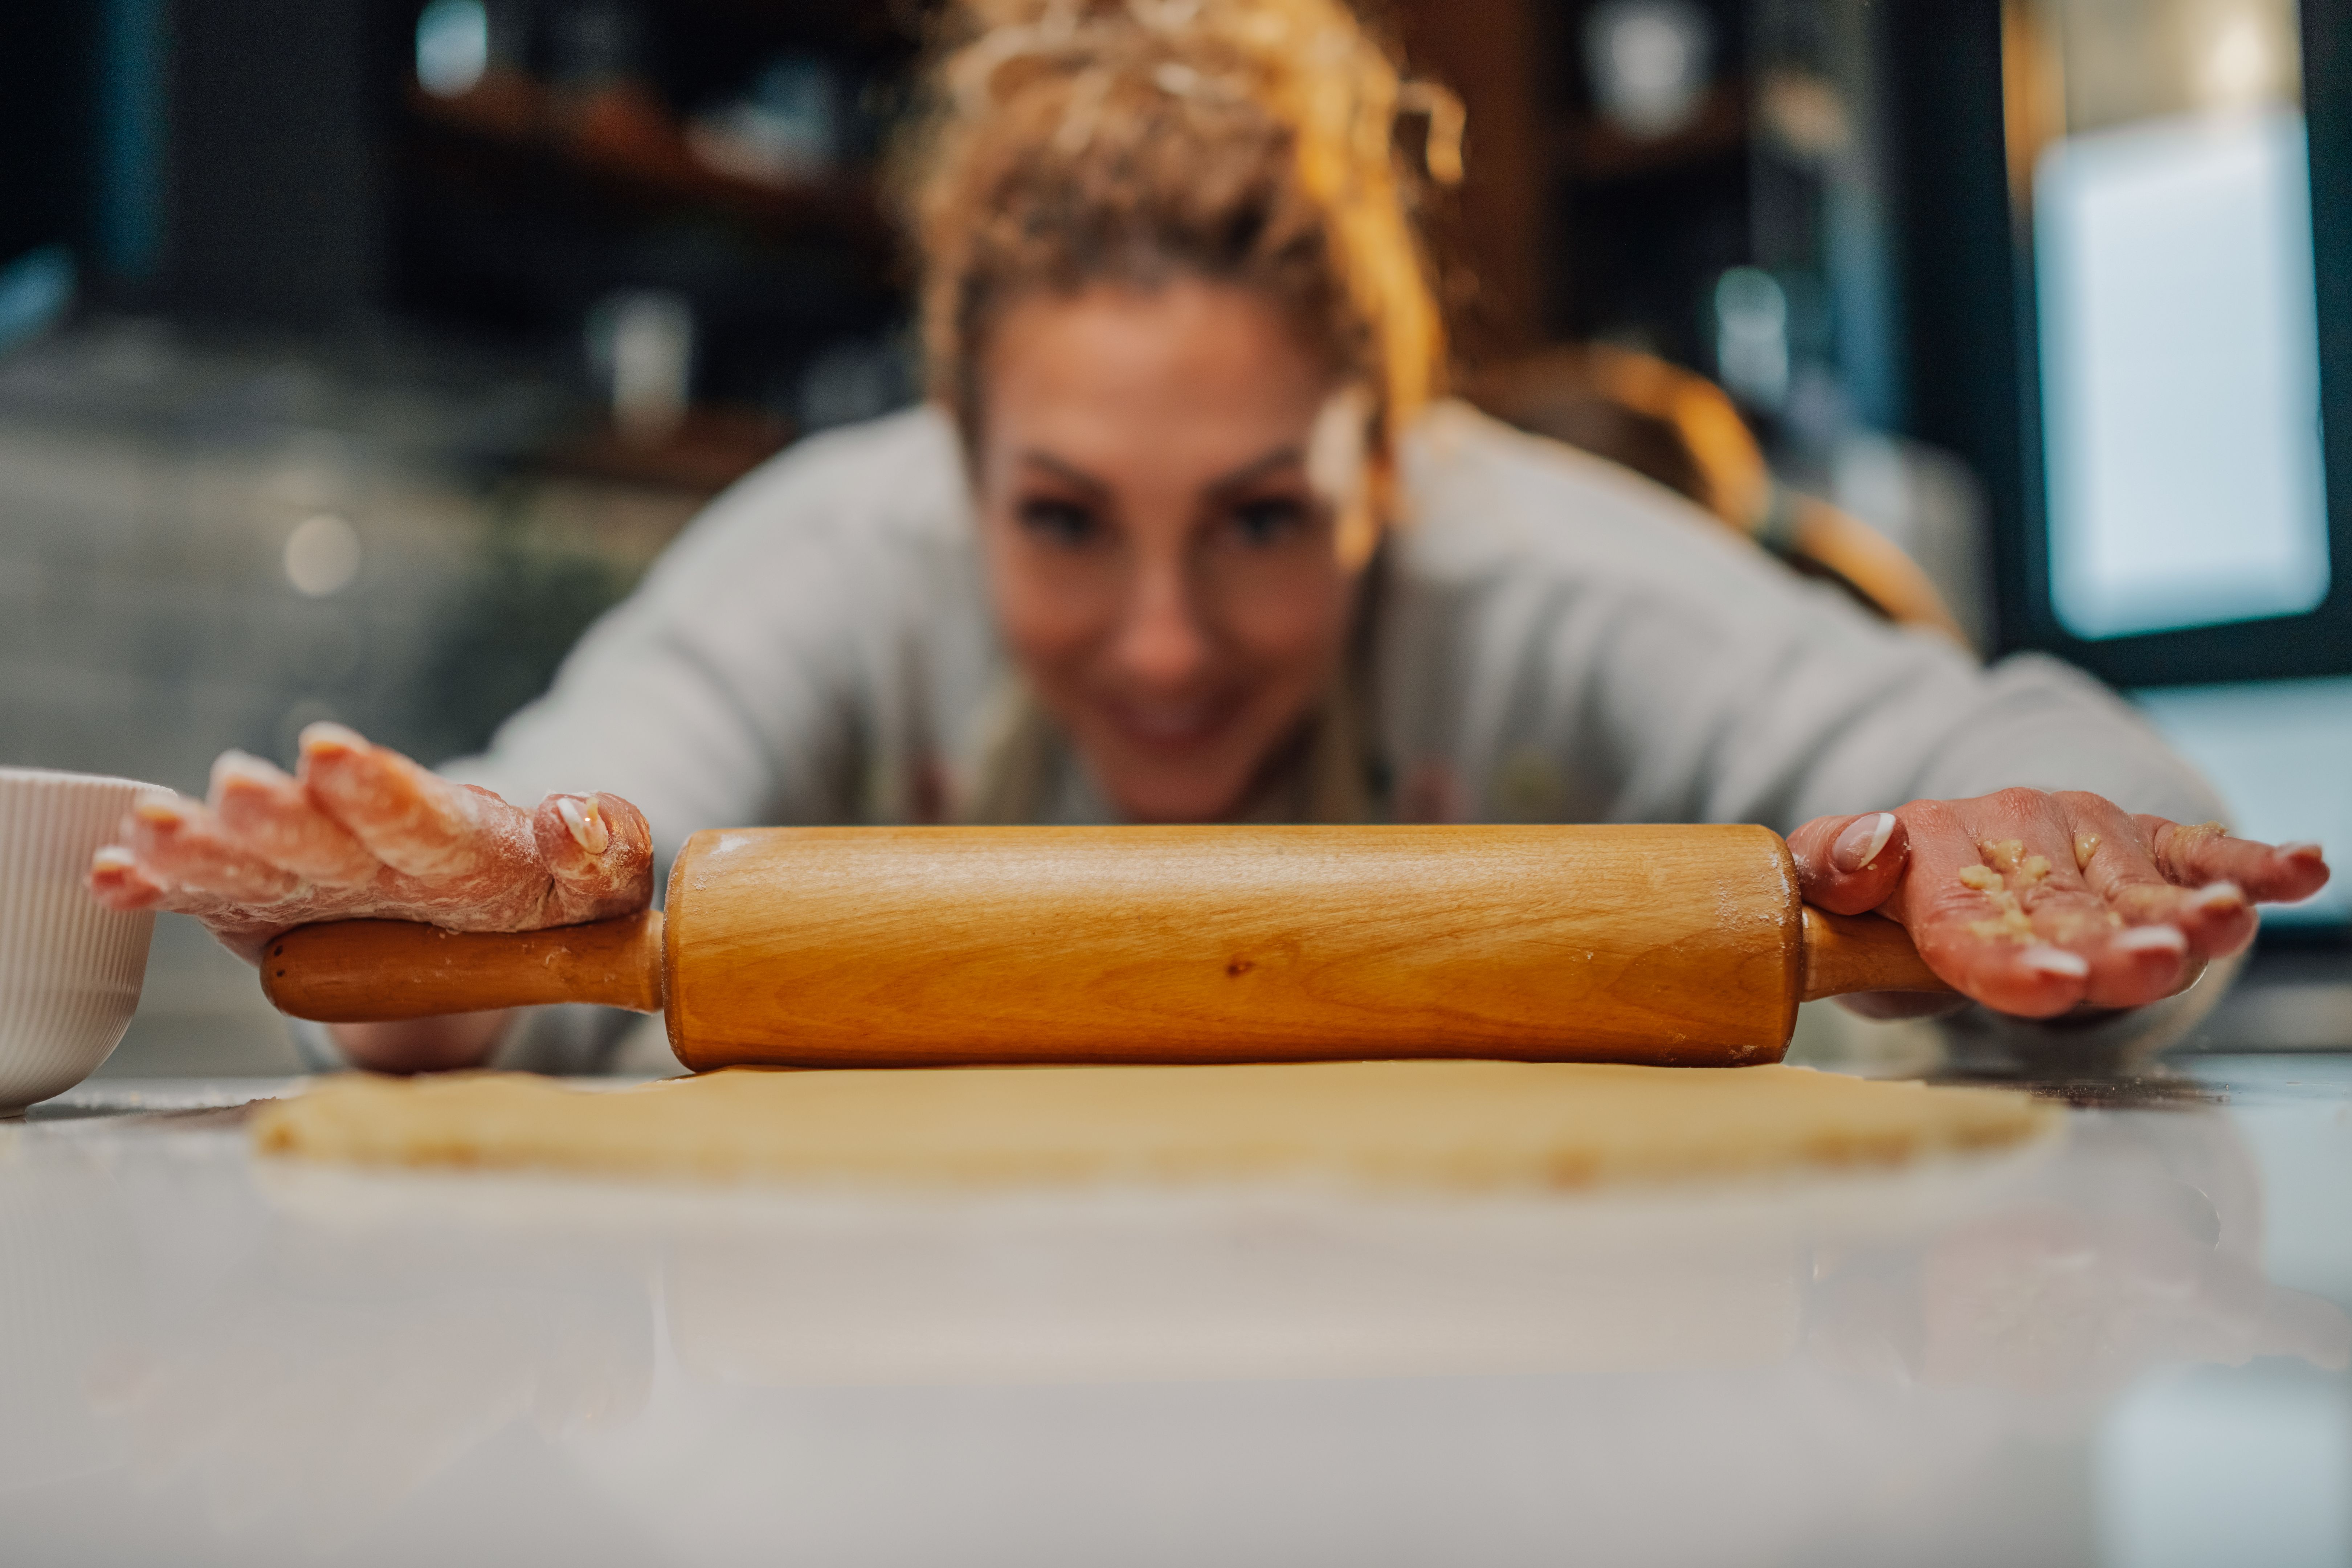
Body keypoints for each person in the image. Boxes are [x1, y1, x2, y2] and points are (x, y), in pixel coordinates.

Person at [89, 0, 2327, 1074]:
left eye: (1266, 520)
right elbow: (562, 861)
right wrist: (451, 937)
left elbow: (2058, 770)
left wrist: (2042, 854)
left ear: (1391, 464)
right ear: (958, 462)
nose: (1162, 642)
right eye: (1064, 522)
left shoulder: (1525, 570)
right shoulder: (839, 554)